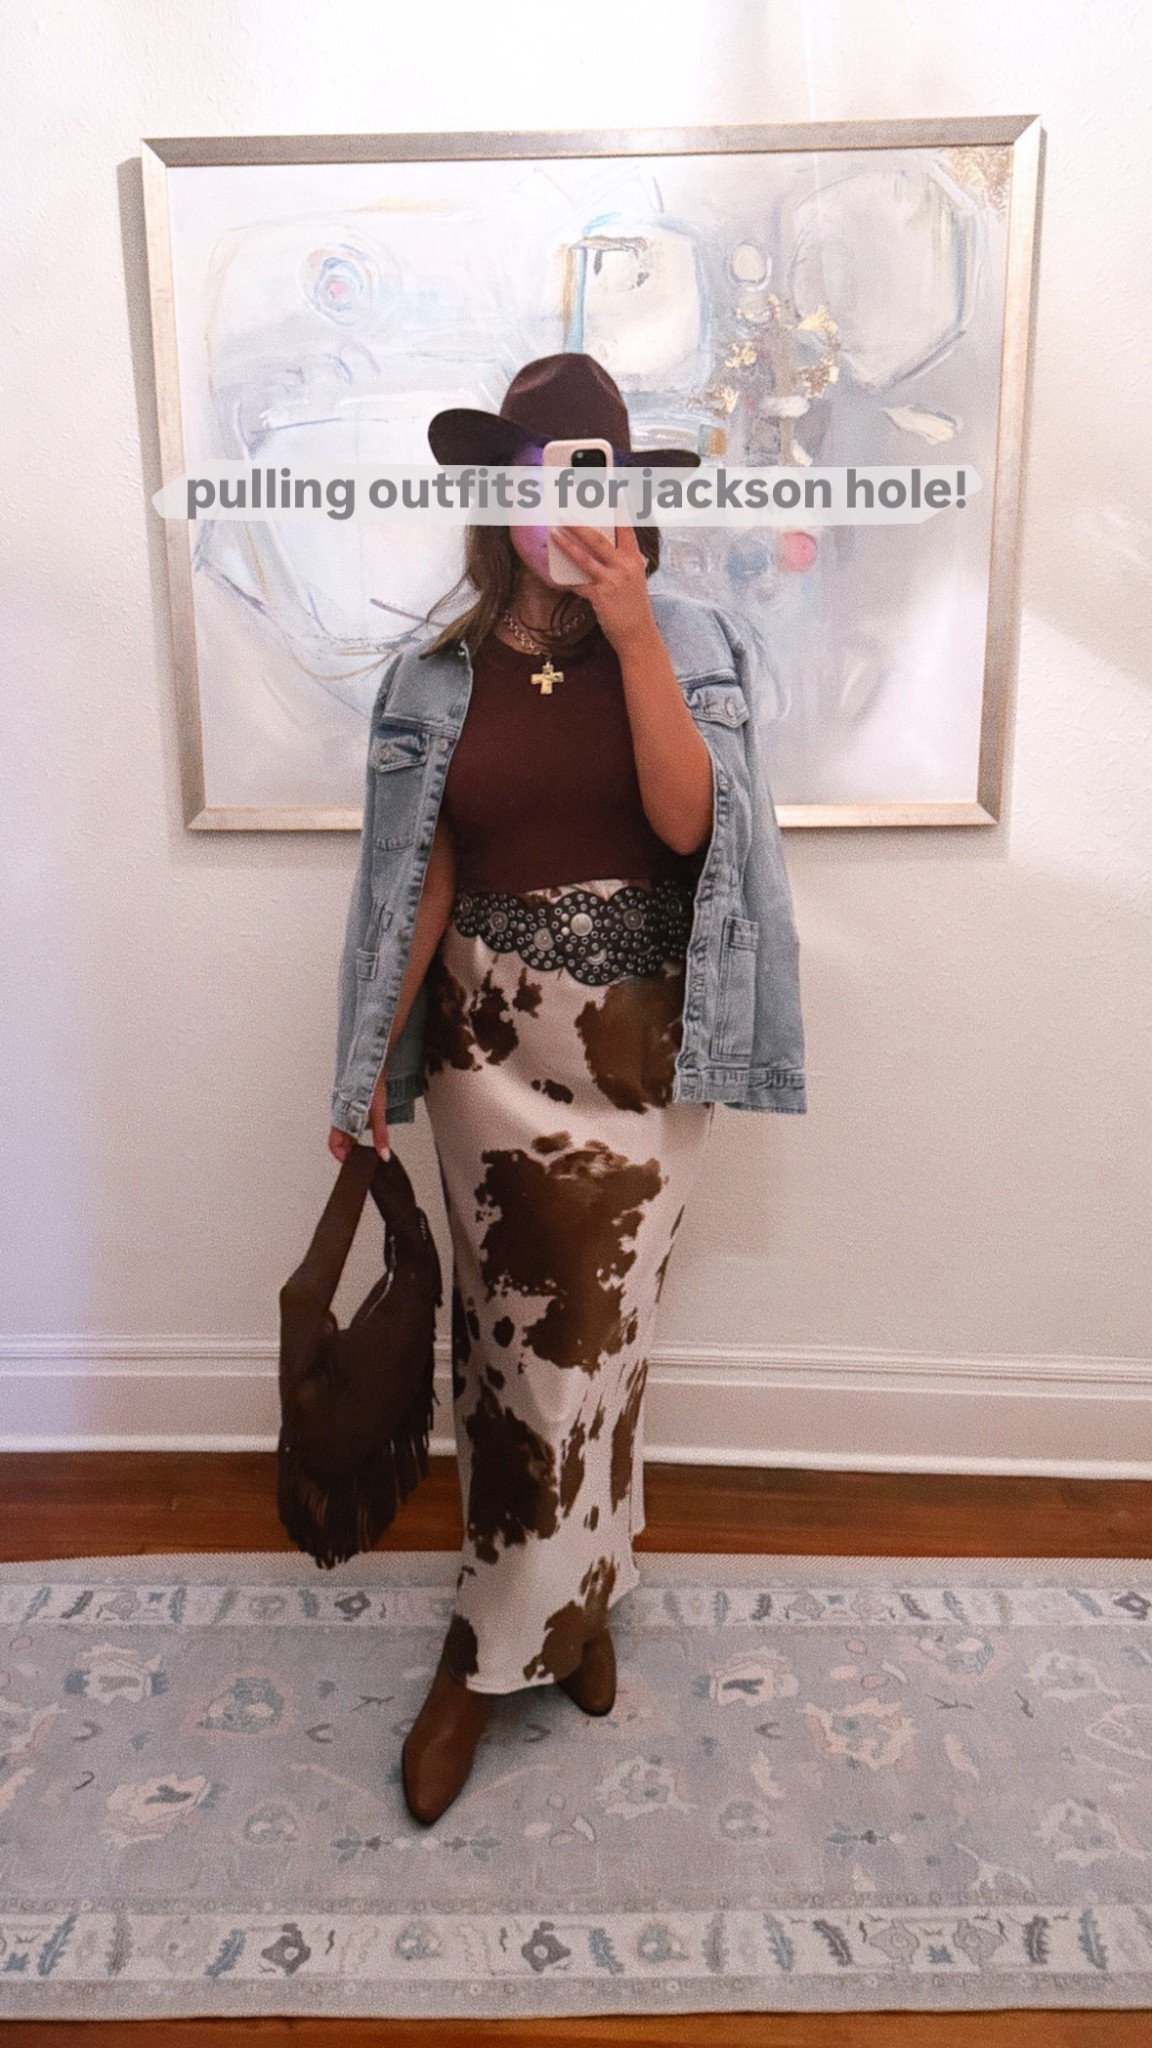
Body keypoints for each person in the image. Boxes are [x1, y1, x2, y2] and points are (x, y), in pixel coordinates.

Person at [327, 353, 806, 1827]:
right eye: (545, 481)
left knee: (601, 1349)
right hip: (487, 1052)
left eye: (597, 479)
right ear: (504, 496)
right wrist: (363, 1065)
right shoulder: (435, 677)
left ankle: (562, 1604)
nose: (570, 509)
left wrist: (633, 624)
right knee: (513, 1357)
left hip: (643, 1053)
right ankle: (506, 1639)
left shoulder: (691, 636)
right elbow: (423, 878)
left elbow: (684, 821)